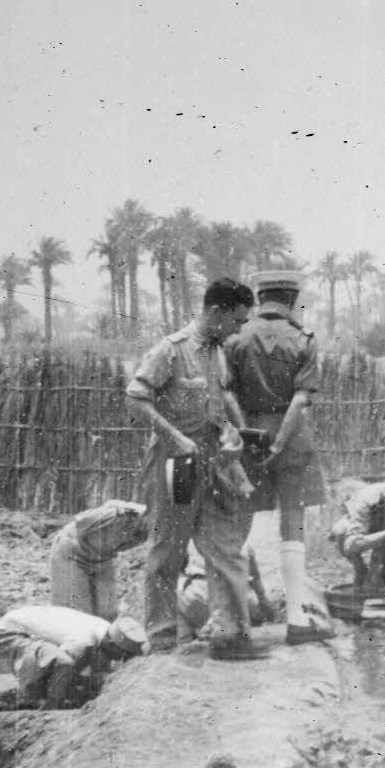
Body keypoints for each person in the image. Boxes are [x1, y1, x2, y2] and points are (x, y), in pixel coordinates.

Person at [125, 277, 268, 661]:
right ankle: (161, 639)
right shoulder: (171, 351)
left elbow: (221, 399)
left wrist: (234, 434)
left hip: (214, 463)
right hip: (176, 464)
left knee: (225, 546)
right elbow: (137, 397)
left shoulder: (219, 353)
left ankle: (230, 635)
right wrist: (174, 437)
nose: (239, 329)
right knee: (167, 553)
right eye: (236, 321)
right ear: (215, 312)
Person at [222, 269, 334, 646]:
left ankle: (234, 622)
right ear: (291, 298)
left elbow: (227, 394)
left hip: (245, 436)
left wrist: (247, 435)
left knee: (238, 522)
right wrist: (279, 441)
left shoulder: (236, 338)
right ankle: (297, 620)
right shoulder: (303, 339)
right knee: (293, 523)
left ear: (261, 297)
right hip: (293, 440)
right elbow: (301, 399)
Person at [0, 604, 145, 709]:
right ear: (112, 644)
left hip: (31, 633)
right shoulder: (83, 639)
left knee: (76, 673)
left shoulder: (106, 630)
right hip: (10, 632)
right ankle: (49, 710)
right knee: (63, 664)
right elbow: (63, 666)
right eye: (120, 655)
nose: (119, 659)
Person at [49, 500, 148, 620]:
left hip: (102, 558)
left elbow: (119, 547)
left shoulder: (144, 533)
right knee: (76, 612)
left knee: (108, 611)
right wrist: (117, 510)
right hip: (72, 552)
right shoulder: (118, 515)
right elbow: (80, 521)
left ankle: (105, 637)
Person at [176, 542, 275, 643]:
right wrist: (263, 600)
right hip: (233, 604)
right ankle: (213, 624)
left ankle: (196, 632)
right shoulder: (239, 542)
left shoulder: (195, 539)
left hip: (195, 599)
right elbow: (255, 577)